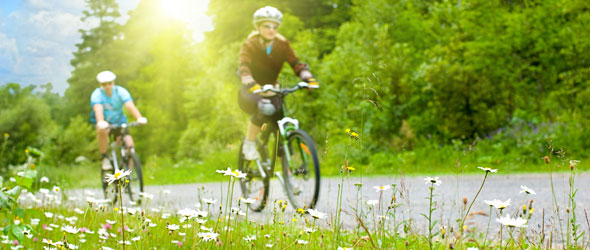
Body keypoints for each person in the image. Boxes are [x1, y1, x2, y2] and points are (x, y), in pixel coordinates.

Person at [238, 6, 318, 160]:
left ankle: (287, 171)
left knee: (281, 123)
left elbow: (296, 64)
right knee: (265, 108)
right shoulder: (250, 44)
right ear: (258, 27)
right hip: (252, 89)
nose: (271, 30)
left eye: (274, 26)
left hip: (272, 89)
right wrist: (248, 79)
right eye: (267, 26)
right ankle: (249, 143)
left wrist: (307, 78)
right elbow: (244, 65)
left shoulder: (282, 45)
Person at [90, 70, 147, 170]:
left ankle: (128, 174)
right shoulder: (97, 94)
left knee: (129, 145)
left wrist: (139, 118)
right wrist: (100, 122)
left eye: (110, 83)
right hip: (105, 122)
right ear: (100, 85)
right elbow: (98, 109)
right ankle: (104, 158)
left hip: (120, 121)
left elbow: (130, 106)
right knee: (102, 131)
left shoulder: (120, 91)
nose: (107, 86)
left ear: (113, 82)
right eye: (104, 84)